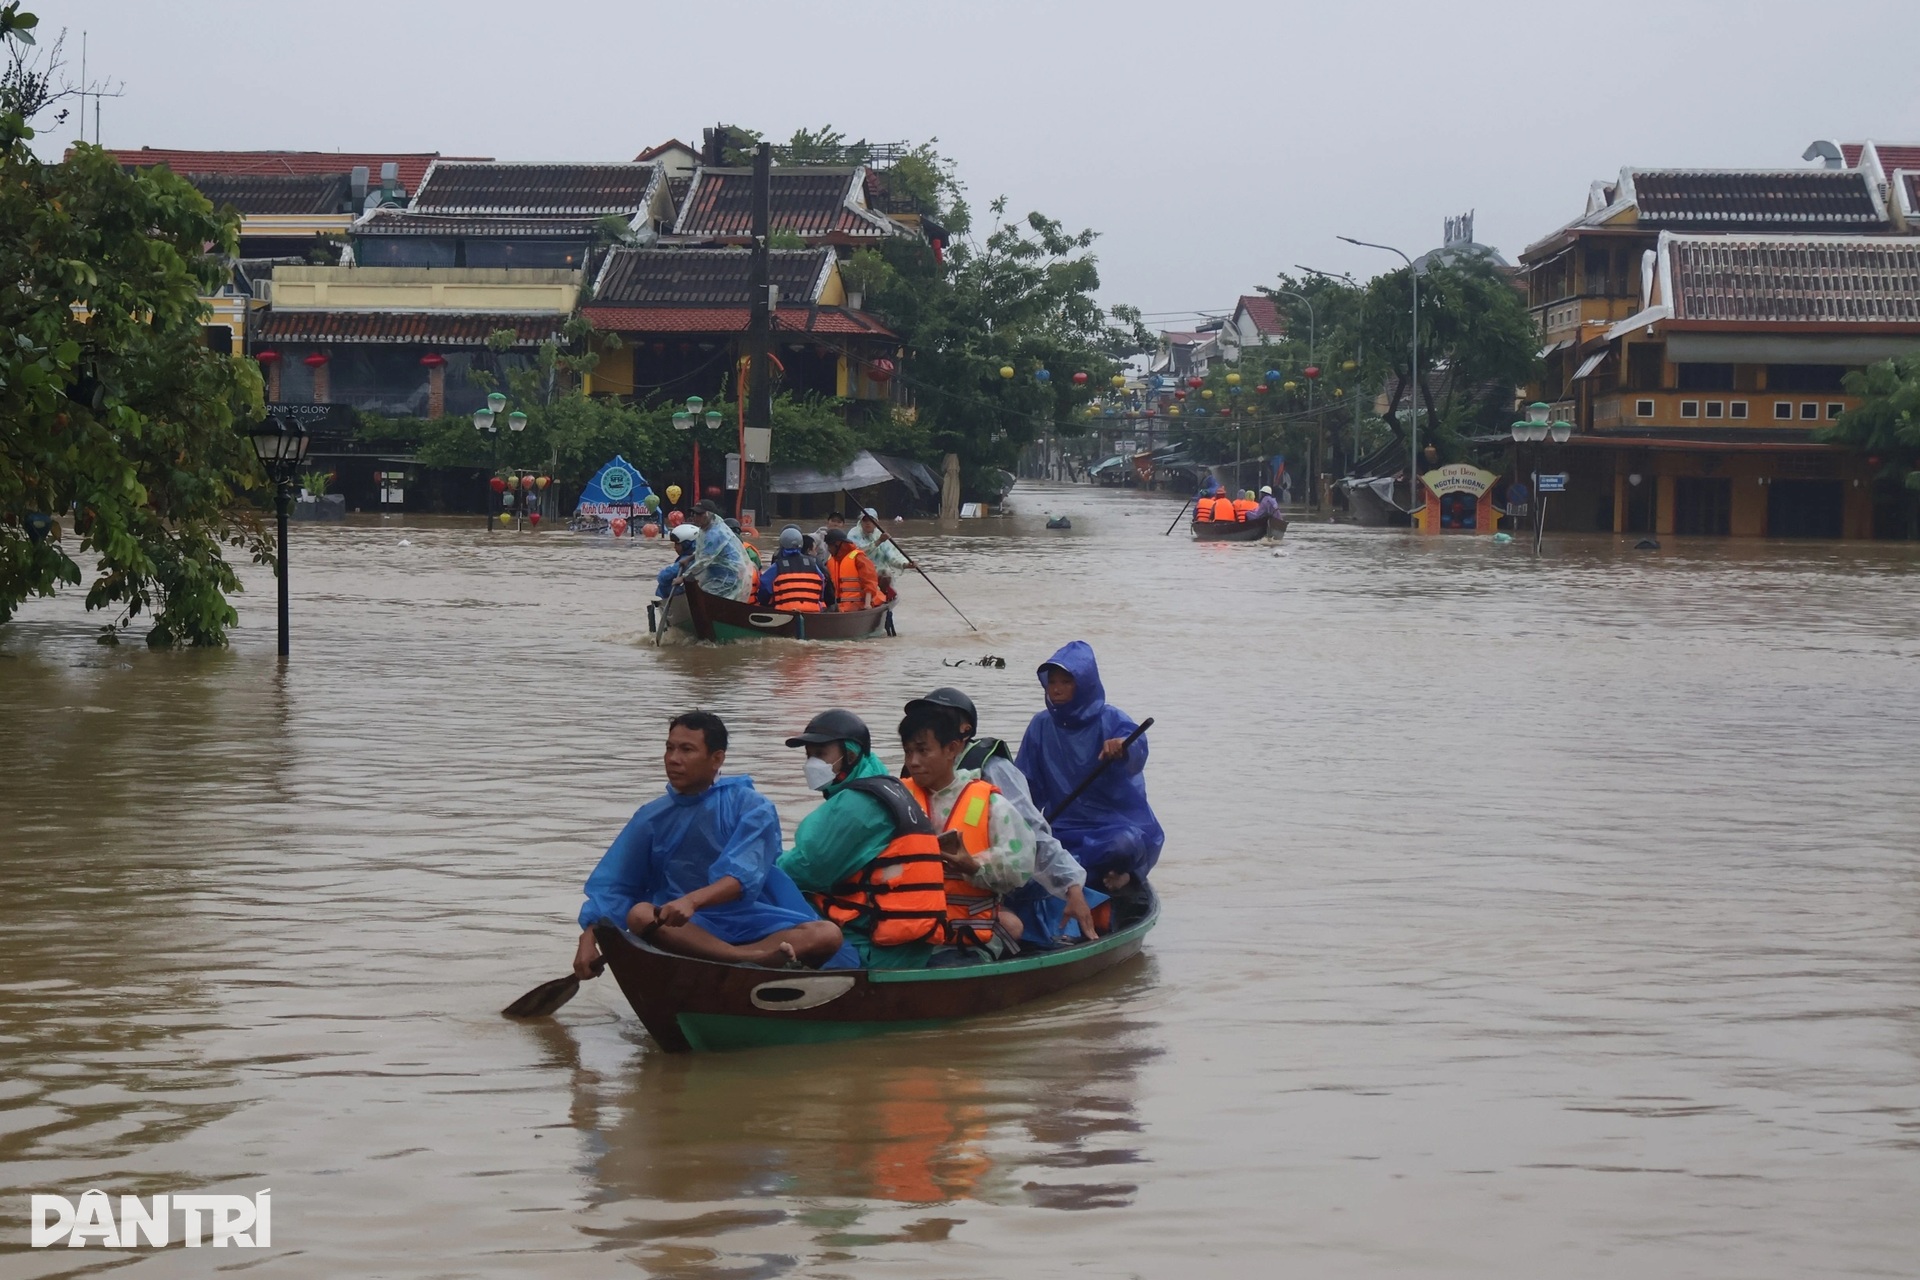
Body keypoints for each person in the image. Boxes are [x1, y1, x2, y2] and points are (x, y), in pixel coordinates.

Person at [573, 711, 851, 978]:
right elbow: (616, 886)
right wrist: (588, 938)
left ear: (717, 758)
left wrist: (692, 900)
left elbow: (742, 878)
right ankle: (749, 961)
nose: (673, 759)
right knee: (640, 914)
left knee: (827, 934)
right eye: (669, 748)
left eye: (686, 750)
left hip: (751, 921)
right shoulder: (650, 817)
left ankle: (743, 958)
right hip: (686, 929)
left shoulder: (752, 806)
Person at [905, 687, 1103, 946]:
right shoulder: (917, 767)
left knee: (1015, 925)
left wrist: (1072, 886)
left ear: (962, 732)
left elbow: (1032, 834)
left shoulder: (992, 768)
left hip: (993, 887)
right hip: (928, 897)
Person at [776, 709, 945, 970]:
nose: (812, 763)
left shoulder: (858, 804)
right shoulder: (886, 785)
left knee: (768, 891)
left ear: (851, 754)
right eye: (809, 754)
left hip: (872, 948)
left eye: (821, 754)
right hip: (905, 943)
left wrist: (754, 873)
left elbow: (805, 869)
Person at [1016, 641, 1163, 896]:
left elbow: (1137, 746)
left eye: (1066, 682)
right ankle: (1098, 878)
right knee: (1027, 853)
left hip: (1110, 826)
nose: (1057, 689)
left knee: (1123, 845)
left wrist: (1122, 748)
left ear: (1084, 684)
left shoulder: (1112, 719)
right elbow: (1024, 786)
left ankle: (1123, 876)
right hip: (1061, 827)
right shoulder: (1040, 726)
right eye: (1052, 682)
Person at [897, 700, 1035, 958]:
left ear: (952, 749)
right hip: (903, 931)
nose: (913, 762)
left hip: (964, 936)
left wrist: (973, 866)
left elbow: (1021, 866)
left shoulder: (991, 804)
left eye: (923, 751)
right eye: (907, 752)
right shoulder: (896, 799)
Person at [678, 500, 754, 601]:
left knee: (705, 598)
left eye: (699, 514)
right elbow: (704, 550)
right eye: (694, 514)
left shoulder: (715, 533)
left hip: (729, 577)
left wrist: (683, 578)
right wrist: (689, 558)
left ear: (709, 515)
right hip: (716, 573)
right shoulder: (705, 529)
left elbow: (704, 561)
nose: (695, 517)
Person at [757, 525, 830, 611]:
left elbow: (764, 588)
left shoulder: (777, 566)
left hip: (785, 613)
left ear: (782, 544)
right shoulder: (813, 564)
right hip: (812, 612)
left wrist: (764, 603)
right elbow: (822, 582)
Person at [850, 508, 912, 601]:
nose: (868, 523)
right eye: (865, 520)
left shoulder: (881, 534)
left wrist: (905, 564)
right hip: (862, 574)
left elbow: (892, 556)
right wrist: (878, 542)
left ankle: (885, 598)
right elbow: (858, 553)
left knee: (886, 574)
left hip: (880, 575)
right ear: (861, 521)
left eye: (871, 520)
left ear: (876, 522)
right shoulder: (853, 534)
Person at [823, 528, 885, 612]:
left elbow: (869, 582)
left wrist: (867, 604)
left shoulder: (858, 557)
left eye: (829, 545)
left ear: (838, 544)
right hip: (839, 606)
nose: (828, 549)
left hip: (858, 606)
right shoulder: (831, 560)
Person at [654, 523, 697, 601]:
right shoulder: (695, 556)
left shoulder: (687, 560)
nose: (675, 547)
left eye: (677, 544)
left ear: (686, 544)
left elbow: (663, 577)